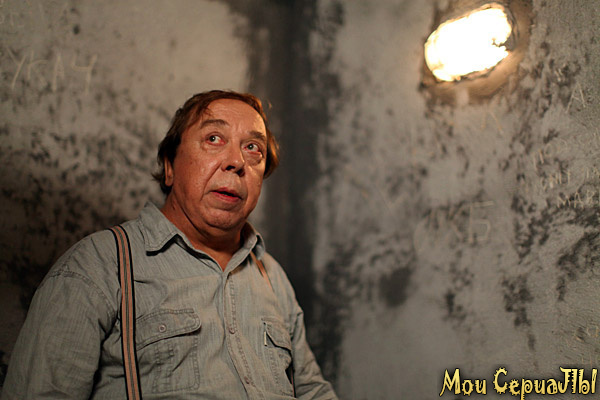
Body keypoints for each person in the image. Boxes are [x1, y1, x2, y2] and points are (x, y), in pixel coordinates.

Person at [2, 90, 338, 399]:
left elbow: (312, 391)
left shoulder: (271, 277)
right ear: (169, 167)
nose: (236, 161)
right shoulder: (98, 266)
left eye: (253, 148)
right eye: (214, 138)